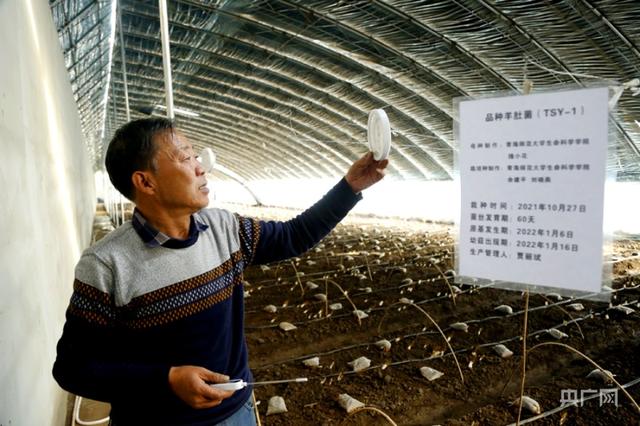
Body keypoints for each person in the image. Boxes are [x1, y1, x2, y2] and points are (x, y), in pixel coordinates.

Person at [53, 117, 389, 425]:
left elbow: (293, 236)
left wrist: (350, 187)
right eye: (185, 158)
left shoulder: (224, 229)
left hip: (235, 412)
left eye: (195, 156)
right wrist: (166, 379)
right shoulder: (106, 264)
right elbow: (73, 369)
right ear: (146, 182)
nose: (200, 168)